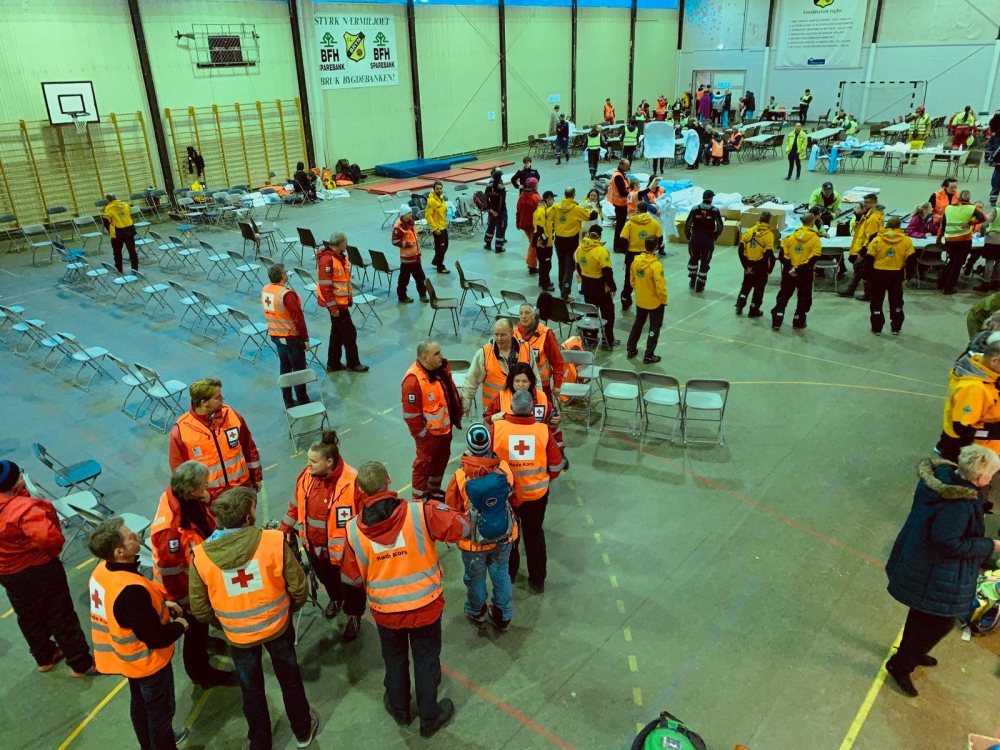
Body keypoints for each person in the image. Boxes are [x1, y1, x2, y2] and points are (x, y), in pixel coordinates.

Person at [340, 461, 470, 737]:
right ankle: (429, 716)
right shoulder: (420, 513)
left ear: (360, 490)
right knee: (426, 660)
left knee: (395, 659)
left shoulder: (352, 530)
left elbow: (351, 579)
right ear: (389, 480)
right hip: (425, 606)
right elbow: (462, 527)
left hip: (386, 612)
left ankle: (399, 708)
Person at [189, 487, 317, 750]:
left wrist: (225, 623)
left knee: (252, 690)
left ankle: (260, 743)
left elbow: (200, 609)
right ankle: (303, 731)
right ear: (247, 519)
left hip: (238, 636)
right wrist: (287, 609)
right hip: (278, 626)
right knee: (290, 680)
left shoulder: (201, 557)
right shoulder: (272, 541)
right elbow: (298, 586)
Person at [884, 446, 1000, 697]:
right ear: (979, 478)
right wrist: (990, 545)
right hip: (934, 569)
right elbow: (949, 542)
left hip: (921, 558)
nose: (992, 479)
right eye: (991, 474)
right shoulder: (958, 504)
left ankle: (909, 651)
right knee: (941, 622)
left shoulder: (942, 481)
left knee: (921, 611)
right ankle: (900, 665)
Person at [87, 518, 187, 750]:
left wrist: (161, 605)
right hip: (148, 662)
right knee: (161, 713)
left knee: (141, 705)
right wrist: (180, 625)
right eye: (129, 535)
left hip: (127, 659)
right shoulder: (130, 592)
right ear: (119, 551)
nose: (135, 534)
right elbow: (155, 637)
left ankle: (148, 745)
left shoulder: (103, 570)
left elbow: (129, 613)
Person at [0, 460, 96, 678]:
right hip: (38, 568)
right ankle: (80, 663)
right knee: (60, 613)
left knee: (28, 614)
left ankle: (45, 656)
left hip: (7, 572)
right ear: (13, 482)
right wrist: (50, 554)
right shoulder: (22, 509)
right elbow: (50, 539)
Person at [150, 461, 235, 689]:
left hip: (195, 580)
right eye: (203, 485)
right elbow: (172, 575)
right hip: (183, 592)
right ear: (191, 490)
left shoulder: (181, 497)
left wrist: (208, 499)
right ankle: (201, 673)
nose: (207, 487)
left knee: (200, 627)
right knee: (193, 631)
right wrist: (189, 604)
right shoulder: (170, 532)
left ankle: (204, 639)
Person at [279, 431, 365, 642]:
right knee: (328, 580)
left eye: (313, 461)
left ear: (329, 462)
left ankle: (354, 615)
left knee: (352, 587)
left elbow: (364, 519)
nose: (308, 465)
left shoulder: (353, 481)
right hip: (315, 548)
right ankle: (336, 599)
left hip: (346, 553)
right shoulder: (306, 477)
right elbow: (294, 506)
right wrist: (284, 531)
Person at [445, 424, 516, 632]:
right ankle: (503, 615)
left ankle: (476, 611)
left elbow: (451, 510)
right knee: (501, 575)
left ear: (468, 447)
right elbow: (515, 497)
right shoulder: (503, 469)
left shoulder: (460, 476)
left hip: (473, 543)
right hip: (503, 537)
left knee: (475, 578)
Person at [492, 390, 564, 593]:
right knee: (534, 535)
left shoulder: (496, 429)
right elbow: (557, 466)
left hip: (507, 496)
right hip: (536, 496)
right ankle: (538, 580)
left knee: (509, 537)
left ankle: (510, 574)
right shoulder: (542, 431)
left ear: (512, 408)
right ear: (532, 408)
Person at [169, 378, 262, 499]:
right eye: (217, 397)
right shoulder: (181, 431)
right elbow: (179, 472)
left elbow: (249, 447)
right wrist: (199, 495)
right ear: (204, 402)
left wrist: (256, 477)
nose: (222, 399)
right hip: (211, 498)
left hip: (242, 489)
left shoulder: (232, 416)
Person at [402, 339, 463, 501]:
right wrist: (423, 436)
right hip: (429, 436)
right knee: (423, 467)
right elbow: (411, 416)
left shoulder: (440, 368)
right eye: (436, 354)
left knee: (440, 463)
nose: (441, 356)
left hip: (444, 431)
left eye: (440, 351)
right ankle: (419, 500)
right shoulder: (412, 381)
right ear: (424, 358)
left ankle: (433, 492)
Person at [935, 336, 1000, 461]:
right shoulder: (974, 388)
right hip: (971, 448)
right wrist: (995, 431)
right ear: (994, 361)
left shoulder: (984, 371)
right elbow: (963, 429)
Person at [483, 361, 565, 459]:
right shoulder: (500, 397)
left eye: (525, 381)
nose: (520, 385)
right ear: (511, 381)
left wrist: (553, 421)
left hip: (536, 444)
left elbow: (551, 423)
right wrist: (491, 419)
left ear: (531, 382)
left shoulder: (541, 397)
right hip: (507, 445)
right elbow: (486, 422)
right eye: (517, 381)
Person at [461, 317, 541, 411]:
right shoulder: (484, 354)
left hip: (521, 408)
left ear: (512, 334)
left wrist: (539, 403)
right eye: (496, 334)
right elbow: (471, 380)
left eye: (503, 335)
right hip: (494, 409)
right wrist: (465, 403)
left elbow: (536, 380)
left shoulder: (526, 350)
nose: (499, 339)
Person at [315, 233, 369, 373]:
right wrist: (333, 307)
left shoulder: (338, 258)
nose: (346, 245)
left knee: (337, 333)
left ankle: (333, 363)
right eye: (345, 243)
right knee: (349, 333)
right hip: (336, 305)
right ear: (340, 244)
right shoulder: (328, 260)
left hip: (341, 303)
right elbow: (325, 287)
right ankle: (353, 363)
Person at [260, 264, 313, 406]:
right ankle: (303, 400)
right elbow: (298, 319)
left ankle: (288, 401)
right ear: (283, 276)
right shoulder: (287, 295)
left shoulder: (265, 290)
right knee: (298, 370)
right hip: (290, 337)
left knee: (285, 368)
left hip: (275, 335)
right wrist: (305, 338)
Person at [866, 216, 917, 336]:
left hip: (878, 274)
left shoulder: (877, 240)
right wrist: (908, 276)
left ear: (887, 225)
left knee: (877, 301)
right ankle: (896, 327)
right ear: (899, 226)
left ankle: (877, 328)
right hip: (896, 275)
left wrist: (865, 276)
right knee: (896, 301)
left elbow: (869, 260)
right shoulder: (906, 241)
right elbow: (912, 260)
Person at [771, 213, 822, 330]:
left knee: (784, 295)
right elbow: (814, 257)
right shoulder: (815, 239)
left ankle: (777, 320)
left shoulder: (789, 237)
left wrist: (791, 268)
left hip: (789, 272)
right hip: (805, 274)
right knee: (804, 297)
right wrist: (799, 269)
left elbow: (782, 256)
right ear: (812, 222)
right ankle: (798, 321)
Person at [625, 237, 668, 364]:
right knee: (654, 328)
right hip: (655, 303)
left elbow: (632, 280)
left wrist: (640, 291)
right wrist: (664, 300)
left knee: (638, 324)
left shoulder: (635, 262)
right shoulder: (656, 266)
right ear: (656, 246)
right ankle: (649, 354)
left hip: (640, 300)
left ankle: (631, 348)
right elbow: (660, 287)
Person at [576, 226, 619, 349]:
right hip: (600, 288)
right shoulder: (601, 251)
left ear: (589, 235)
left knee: (591, 313)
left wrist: (585, 277)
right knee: (608, 314)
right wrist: (613, 287)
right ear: (599, 236)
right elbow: (607, 272)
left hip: (587, 286)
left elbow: (578, 267)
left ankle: (590, 339)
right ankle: (608, 340)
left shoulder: (580, 248)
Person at [551, 187, 597, 299]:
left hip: (558, 240)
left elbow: (547, 215)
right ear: (574, 195)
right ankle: (565, 293)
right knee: (570, 268)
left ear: (564, 194)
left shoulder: (556, 207)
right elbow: (592, 215)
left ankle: (561, 287)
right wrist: (593, 206)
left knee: (561, 265)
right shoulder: (576, 209)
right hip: (570, 241)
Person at [939, 190, 988, 295]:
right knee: (957, 264)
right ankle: (948, 288)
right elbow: (984, 217)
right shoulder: (971, 208)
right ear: (969, 198)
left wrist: (939, 239)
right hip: (963, 240)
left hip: (949, 240)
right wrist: (970, 223)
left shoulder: (949, 208)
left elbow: (943, 226)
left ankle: (941, 282)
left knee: (951, 261)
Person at [515, 303, 564, 404]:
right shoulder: (514, 334)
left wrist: (557, 384)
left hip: (541, 385)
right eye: (521, 313)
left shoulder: (546, 334)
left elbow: (557, 360)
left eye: (527, 313)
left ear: (534, 315)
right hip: (519, 385)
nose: (524, 316)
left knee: (545, 413)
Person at [620, 200, 663, 311]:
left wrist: (626, 252)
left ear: (637, 210)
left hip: (632, 255)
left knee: (629, 279)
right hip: (648, 254)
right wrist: (654, 249)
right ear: (647, 210)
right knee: (649, 280)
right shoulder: (654, 223)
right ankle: (649, 302)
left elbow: (623, 239)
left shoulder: (630, 223)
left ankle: (625, 300)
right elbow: (660, 238)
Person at [839, 194, 883, 300]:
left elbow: (871, 236)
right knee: (859, 270)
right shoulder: (868, 214)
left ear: (874, 203)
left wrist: (863, 252)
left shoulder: (873, 218)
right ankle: (852, 290)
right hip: (864, 247)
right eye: (864, 202)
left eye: (867, 202)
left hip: (867, 249)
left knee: (863, 271)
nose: (865, 204)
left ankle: (868, 294)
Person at [735, 211, 775, 318]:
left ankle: (740, 304)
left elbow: (740, 250)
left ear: (759, 219)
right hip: (761, 267)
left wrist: (747, 267)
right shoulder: (769, 236)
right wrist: (755, 267)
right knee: (759, 289)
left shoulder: (749, 232)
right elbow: (768, 255)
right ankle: (754, 309)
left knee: (746, 285)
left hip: (748, 264)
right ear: (769, 220)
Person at [685, 190, 724, 292]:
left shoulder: (695, 209)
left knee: (693, 258)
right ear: (711, 198)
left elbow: (688, 224)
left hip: (695, 238)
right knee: (705, 261)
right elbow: (720, 226)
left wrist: (689, 236)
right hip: (708, 239)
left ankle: (692, 280)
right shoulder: (715, 210)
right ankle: (700, 285)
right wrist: (715, 236)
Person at [392, 204, 428, 303]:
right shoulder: (398, 226)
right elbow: (394, 241)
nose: (411, 214)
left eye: (411, 212)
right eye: (409, 213)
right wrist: (407, 244)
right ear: (403, 214)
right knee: (404, 280)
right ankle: (402, 297)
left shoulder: (411, 223)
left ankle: (423, 295)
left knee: (421, 278)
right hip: (406, 259)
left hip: (416, 257)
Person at [102, 193, 139, 274]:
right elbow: (128, 213)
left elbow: (105, 221)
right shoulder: (125, 204)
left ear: (108, 200)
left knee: (117, 252)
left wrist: (109, 230)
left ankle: (119, 269)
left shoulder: (108, 208)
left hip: (117, 232)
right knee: (132, 251)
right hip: (129, 230)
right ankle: (135, 269)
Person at [516, 177, 542, 277]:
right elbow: (541, 212)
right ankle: (532, 265)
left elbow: (518, 210)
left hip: (524, 224)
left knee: (531, 243)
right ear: (534, 185)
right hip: (533, 225)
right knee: (534, 245)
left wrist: (517, 222)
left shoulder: (522, 196)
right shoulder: (536, 197)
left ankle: (530, 261)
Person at [533, 190, 556, 292]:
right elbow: (540, 229)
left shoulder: (545, 209)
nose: (553, 201)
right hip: (543, 243)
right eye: (552, 199)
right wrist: (544, 242)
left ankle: (542, 281)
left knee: (544, 264)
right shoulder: (541, 211)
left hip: (546, 242)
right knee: (546, 264)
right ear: (548, 199)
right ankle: (545, 284)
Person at [425, 181, 450, 274]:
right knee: (440, 248)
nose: (439, 190)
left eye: (440, 188)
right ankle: (440, 267)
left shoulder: (441, 198)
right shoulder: (431, 201)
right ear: (434, 189)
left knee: (445, 246)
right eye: (437, 189)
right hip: (438, 229)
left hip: (443, 226)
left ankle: (436, 261)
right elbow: (428, 215)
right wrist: (435, 228)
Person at [606, 159, 631, 253]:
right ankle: (617, 245)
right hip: (620, 204)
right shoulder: (618, 176)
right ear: (621, 165)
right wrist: (631, 193)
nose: (628, 167)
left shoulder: (620, 174)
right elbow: (622, 192)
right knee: (620, 226)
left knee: (621, 225)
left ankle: (620, 244)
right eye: (627, 165)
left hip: (621, 204)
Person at [484, 169, 508, 253]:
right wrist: (497, 212)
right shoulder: (501, 188)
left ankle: (487, 244)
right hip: (500, 212)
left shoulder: (488, 186)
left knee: (490, 227)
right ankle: (498, 248)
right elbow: (501, 201)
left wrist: (491, 210)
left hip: (491, 211)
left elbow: (485, 199)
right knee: (500, 228)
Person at [978, 207, 1000, 292]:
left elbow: (983, 224)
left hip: (993, 239)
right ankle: (997, 284)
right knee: (999, 262)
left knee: (989, 262)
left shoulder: (996, 211)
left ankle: (986, 283)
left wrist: (984, 232)